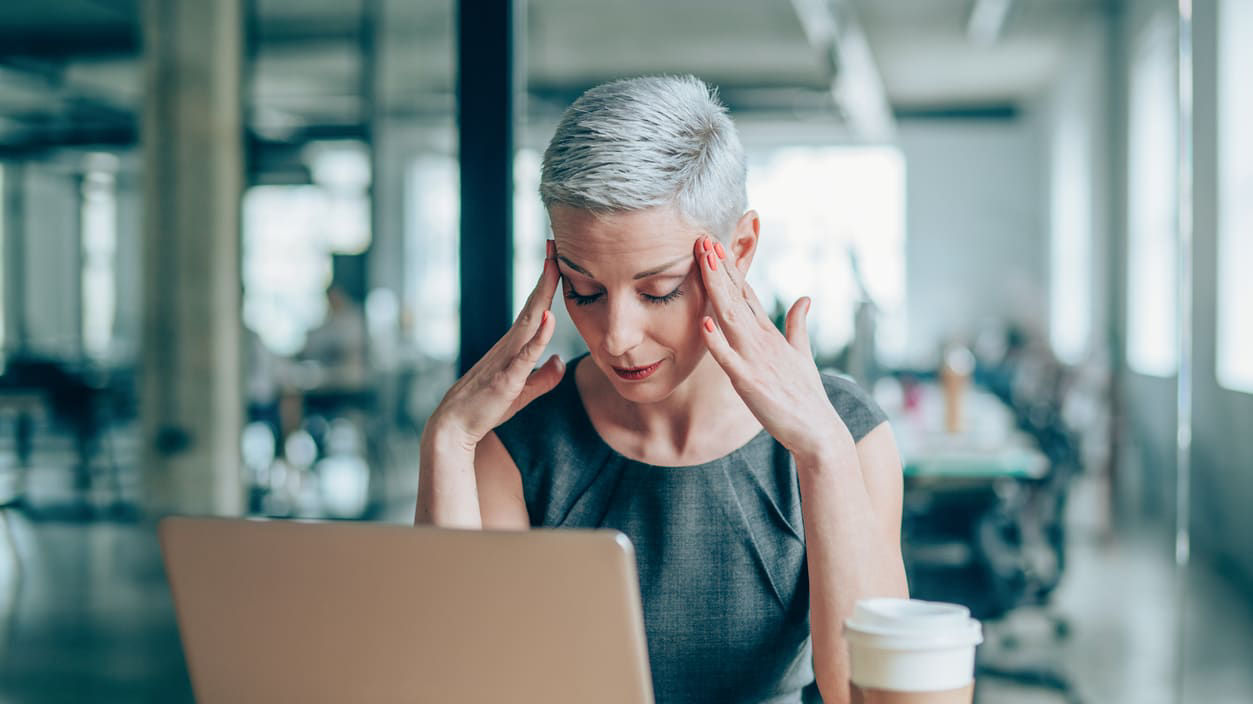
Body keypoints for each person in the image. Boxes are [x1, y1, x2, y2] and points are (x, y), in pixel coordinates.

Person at [415, 75, 908, 704]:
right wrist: (450, 439)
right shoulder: (520, 444)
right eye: (583, 290)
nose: (616, 335)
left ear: (739, 249)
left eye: (659, 291)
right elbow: (464, 685)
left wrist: (822, 454)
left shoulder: (847, 433)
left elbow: (865, 696)